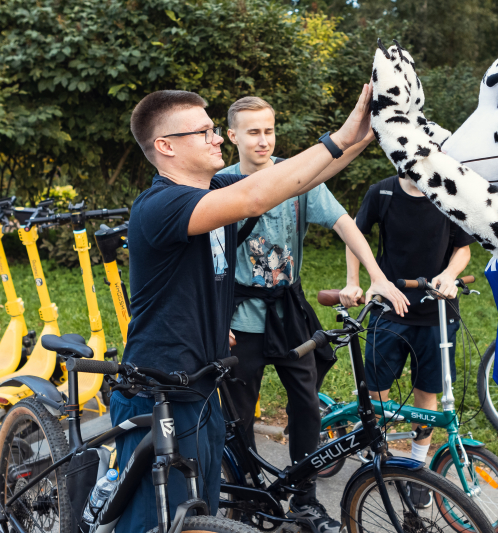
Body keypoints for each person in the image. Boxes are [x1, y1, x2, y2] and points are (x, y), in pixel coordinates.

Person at [114, 86, 373, 533]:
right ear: (166, 146)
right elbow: (255, 200)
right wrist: (339, 135)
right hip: (161, 392)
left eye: (214, 129)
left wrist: (362, 137)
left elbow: (298, 179)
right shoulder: (162, 205)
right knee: (160, 525)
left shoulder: (212, 188)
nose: (217, 138)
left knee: (201, 517)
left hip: (202, 384)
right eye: (205, 130)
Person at [221, 96, 409, 533]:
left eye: (269, 130)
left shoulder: (296, 177)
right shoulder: (218, 184)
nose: (263, 140)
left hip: (289, 313)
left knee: (306, 405)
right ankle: (249, 498)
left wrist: (377, 275)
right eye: (252, 132)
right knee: (239, 415)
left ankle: (304, 500)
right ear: (232, 136)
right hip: (238, 319)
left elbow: (345, 222)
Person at [339, 173, 474, 507]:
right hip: (388, 306)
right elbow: (353, 234)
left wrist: (448, 275)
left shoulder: (448, 193)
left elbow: (463, 249)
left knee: (427, 393)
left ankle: (417, 468)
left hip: (436, 311)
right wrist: (355, 281)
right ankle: (378, 456)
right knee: (377, 389)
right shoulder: (381, 191)